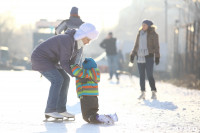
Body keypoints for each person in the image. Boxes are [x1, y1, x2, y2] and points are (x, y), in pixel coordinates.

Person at [31, 23, 99, 119]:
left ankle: (61, 109)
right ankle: (50, 110)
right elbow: (64, 62)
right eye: (88, 39)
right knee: (57, 80)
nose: (88, 42)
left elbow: (71, 63)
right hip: (40, 58)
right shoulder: (67, 40)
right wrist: (76, 75)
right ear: (83, 36)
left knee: (65, 79)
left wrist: (79, 73)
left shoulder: (76, 44)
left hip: (50, 60)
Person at [71, 58, 118, 124]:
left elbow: (76, 71)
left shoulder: (88, 72)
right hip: (94, 97)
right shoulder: (95, 73)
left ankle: (101, 118)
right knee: (93, 113)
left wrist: (73, 65)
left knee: (86, 116)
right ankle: (109, 117)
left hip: (86, 96)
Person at [130, 20, 160, 100]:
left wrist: (157, 56)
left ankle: (153, 92)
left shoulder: (154, 34)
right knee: (141, 75)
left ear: (149, 26)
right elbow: (136, 45)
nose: (143, 26)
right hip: (140, 56)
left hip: (149, 56)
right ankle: (142, 92)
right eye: (142, 25)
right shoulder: (139, 34)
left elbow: (156, 46)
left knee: (150, 75)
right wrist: (132, 54)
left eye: (145, 25)